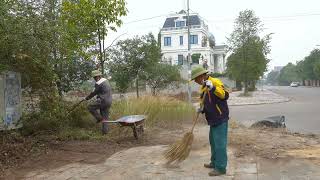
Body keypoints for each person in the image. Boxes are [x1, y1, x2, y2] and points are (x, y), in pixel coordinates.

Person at [191, 66, 229, 176]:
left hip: (220, 117)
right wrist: (202, 109)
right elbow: (205, 101)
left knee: (220, 144)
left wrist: (213, 87)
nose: (195, 81)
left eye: (196, 79)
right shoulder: (203, 87)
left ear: (202, 76)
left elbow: (225, 95)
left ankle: (221, 168)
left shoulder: (215, 81)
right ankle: (214, 163)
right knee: (213, 142)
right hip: (212, 119)